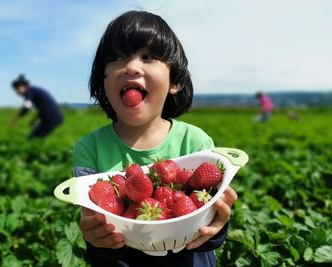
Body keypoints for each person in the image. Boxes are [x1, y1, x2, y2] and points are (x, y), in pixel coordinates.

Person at [72, 11, 237, 267]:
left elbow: (208, 223)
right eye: (116, 58)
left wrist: (216, 227)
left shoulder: (196, 143)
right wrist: (98, 242)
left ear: (175, 82)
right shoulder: (89, 149)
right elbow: (96, 229)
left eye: (148, 57)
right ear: (102, 79)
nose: (131, 67)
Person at [10, 74, 63, 139]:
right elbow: (44, 107)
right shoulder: (34, 90)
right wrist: (34, 119)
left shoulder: (28, 91)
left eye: (16, 89)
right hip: (56, 117)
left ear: (22, 86)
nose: (16, 92)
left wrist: (16, 118)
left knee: (32, 139)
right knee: (40, 138)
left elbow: (27, 106)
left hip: (50, 119)